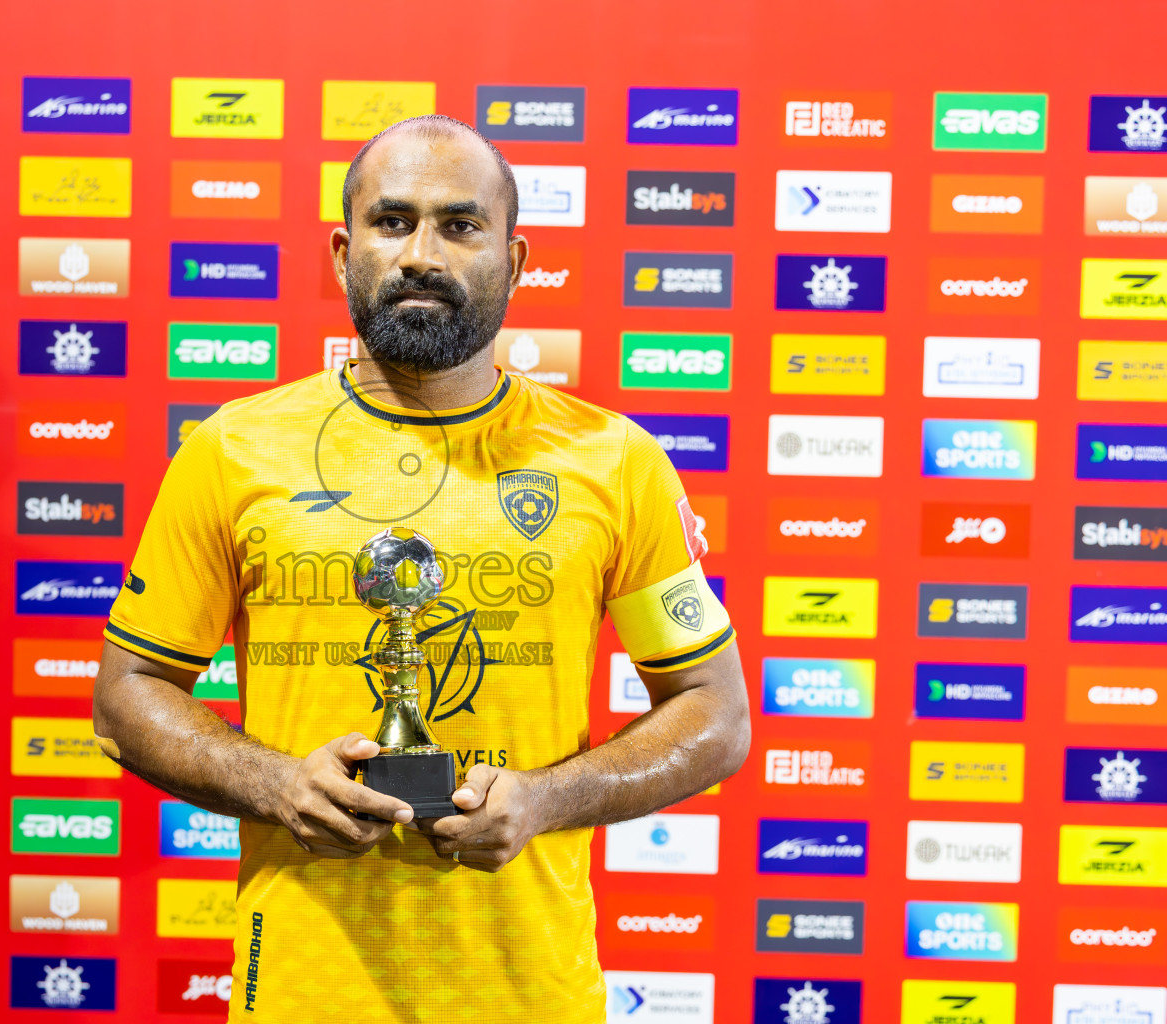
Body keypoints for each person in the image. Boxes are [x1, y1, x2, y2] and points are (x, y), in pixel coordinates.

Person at [93, 114, 749, 1023]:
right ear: (341, 250)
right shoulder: (234, 450)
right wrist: (276, 783)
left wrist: (546, 800)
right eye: (392, 221)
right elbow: (128, 694)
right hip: (297, 989)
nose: (421, 253)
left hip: (530, 994)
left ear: (516, 261)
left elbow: (715, 715)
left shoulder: (616, 461)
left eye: (460, 225)